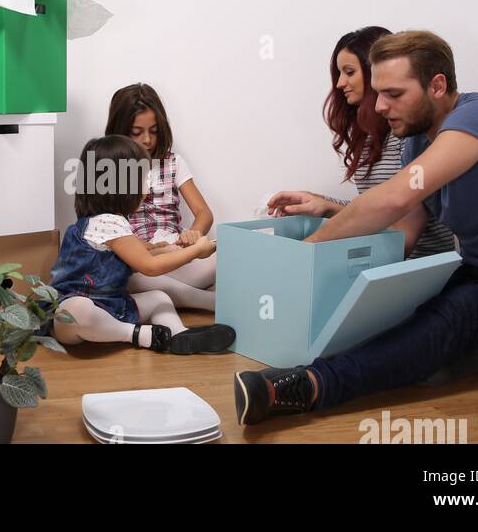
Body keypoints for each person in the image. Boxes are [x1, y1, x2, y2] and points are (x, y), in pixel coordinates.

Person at [235, 31, 478, 425]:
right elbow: (403, 234)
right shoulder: (415, 145)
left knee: (463, 309)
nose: (380, 106)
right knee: (407, 300)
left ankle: (310, 386)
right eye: (379, 92)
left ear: (437, 85)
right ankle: (419, 356)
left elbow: (394, 199)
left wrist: (307, 249)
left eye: (394, 94)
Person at [267, 27, 455, 258]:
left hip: (415, 265)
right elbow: (373, 213)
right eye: (339, 74)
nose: (340, 84)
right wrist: (323, 204)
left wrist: (305, 250)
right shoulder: (368, 139)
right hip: (383, 258)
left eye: (349, 72)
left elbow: (401, 233)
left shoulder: (413, 137)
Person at [49, 135, 236, 355]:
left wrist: (166, 248)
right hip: (73, 318)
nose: (147, 189)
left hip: (112, 306)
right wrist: (195, 251)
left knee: (159, 298)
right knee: (76, 309)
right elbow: (149, 267)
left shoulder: (112, 222)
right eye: (143, 180)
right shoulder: (107, 222)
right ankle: (137, 334)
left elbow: (141, 250)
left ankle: (178, 334)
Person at [105, 83, 218, 311]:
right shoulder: (109, 167)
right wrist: (142, 248)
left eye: (154, 131)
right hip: (140, 262)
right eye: (137, 133)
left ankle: (175, 294)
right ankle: (204, 301)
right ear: (120, 130)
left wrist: (194, 234)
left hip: (176, 255)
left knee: (231, 251)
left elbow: (204, 213)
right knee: (122, 275)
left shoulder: (173, 162)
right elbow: (106, 228)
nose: (147, 140)